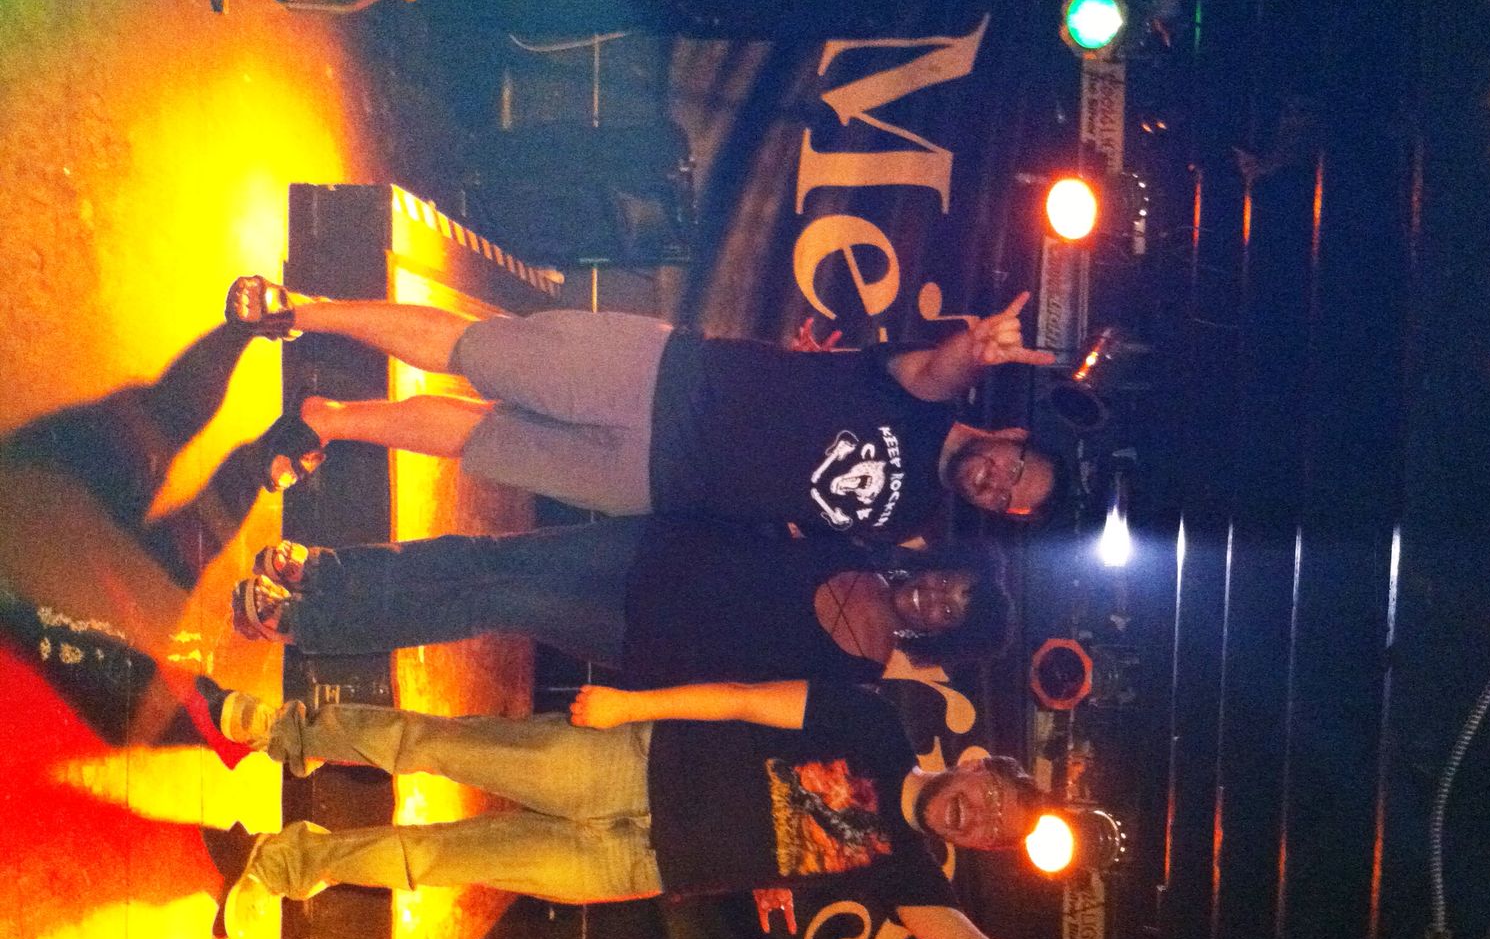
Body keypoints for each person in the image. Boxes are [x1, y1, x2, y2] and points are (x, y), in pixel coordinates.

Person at [197, 676, 1154, 939]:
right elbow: (744, 700)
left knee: (436, 861)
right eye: (992, 799)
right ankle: (274, 726)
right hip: (633, 766)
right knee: (438, 745)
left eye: (994, 830)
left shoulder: (908, 874)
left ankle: (282, 863)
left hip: (641, 869)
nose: (979, 817)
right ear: (977, 765)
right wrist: (633, 705)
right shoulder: (875, 723)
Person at [228, 278, 1061, 540]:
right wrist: (975, 349)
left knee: (480, 441)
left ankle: (328, 419)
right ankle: (300, 311)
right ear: (1011, 434)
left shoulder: (910, 519)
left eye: (1007, 498)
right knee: (478, 351)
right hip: (660, 377)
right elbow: (938, 372)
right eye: (1015, 466)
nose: (997, 481)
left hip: (654, 483)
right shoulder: (925, 400)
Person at [230, 517, 1014, 685]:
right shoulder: (860, 543)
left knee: (494, 600)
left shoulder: (860, 671)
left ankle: (307, 623)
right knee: (486, 554)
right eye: (952, 583)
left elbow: (749, 703)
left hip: (645, 632)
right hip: (648, 549)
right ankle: (327, 569)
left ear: (942, 636)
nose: (937, 597)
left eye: (952, 612)